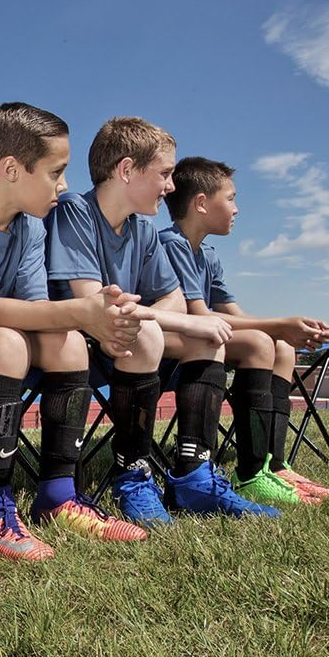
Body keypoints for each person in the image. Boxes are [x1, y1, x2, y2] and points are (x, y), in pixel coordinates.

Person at [0, 102, 149, 562]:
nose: (64, 185)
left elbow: (36, 310)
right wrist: (82, 309)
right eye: (56, 172)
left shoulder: (31, 227)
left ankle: (59, 494)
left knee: (68, 341)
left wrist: (88, 321)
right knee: (8, 341)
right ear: (12, 169)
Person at [46, 117, 280, 524]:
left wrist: (161, 317)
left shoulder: (144, 229)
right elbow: (94, 305)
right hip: (76, 346)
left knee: (208, 340)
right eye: (164, 174)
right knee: (156, 335)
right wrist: (178, 321)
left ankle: (193, 478)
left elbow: (172, 299)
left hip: (127, 341)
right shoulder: (75, 212)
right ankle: (131, 475)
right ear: (126, 170)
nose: (170, 186)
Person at [160, 156, 329, 504]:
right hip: (173, 357)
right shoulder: (172, 244)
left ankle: (274, 464)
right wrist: (278, 325)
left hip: (201, 344)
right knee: (259, 341)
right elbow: (200, 315)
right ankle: (250, 473)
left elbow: (234, 315)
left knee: (280, 347)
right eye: (231, 198)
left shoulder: (207, 255)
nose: (237, 208)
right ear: (201, 203)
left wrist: (287, 331)